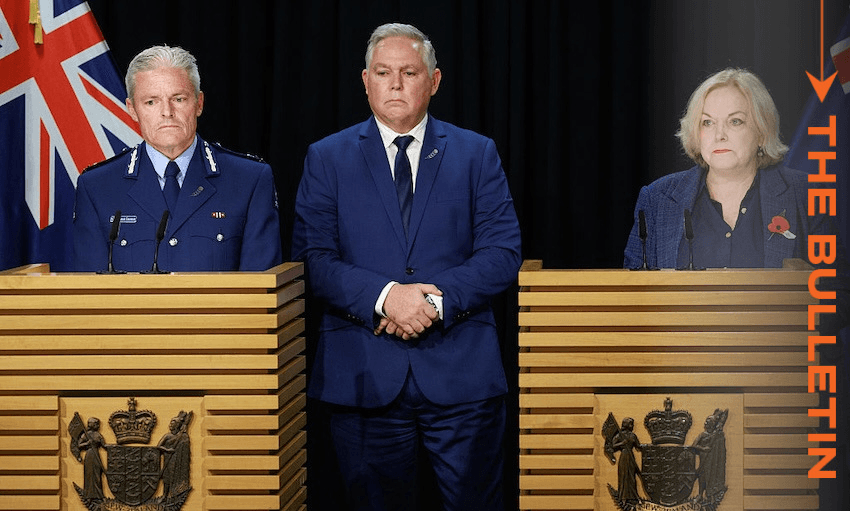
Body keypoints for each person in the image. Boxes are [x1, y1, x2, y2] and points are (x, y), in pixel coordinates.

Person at [291, 23, 521, 511]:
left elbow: (503, 253)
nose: (395, 84)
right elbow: (313, 260)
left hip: (463, 379)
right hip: (364, 377)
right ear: (365, 81)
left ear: (433, 81)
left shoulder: (476, 153)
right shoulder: (327, 158)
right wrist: (387, 297)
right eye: (383, 72)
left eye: (409, 72)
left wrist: (432, 302)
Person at [73, 45, 282, 272]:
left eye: (179, 99)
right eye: (151, 102)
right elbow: (89, 293)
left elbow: (260, 292)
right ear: (132, 110)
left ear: (199, 103)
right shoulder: (97, 187)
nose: (167, 112)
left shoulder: (249, 180)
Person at [624, 68, 833, 269]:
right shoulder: (657, 199)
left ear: (761, 132)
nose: (719, 135)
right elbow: (632, 293)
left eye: (735, 121)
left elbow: (836, 291)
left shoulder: (806, 194)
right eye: (707, 122)